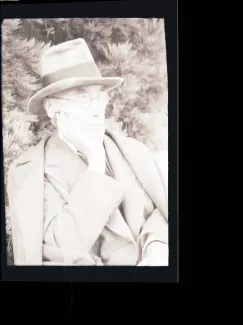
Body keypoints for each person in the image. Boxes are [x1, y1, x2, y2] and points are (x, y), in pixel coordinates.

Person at [7, 38, 168, 266]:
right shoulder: (29, 172)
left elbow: (163, 210)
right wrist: (96, 164)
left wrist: (157, 247)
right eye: (82, 98)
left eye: (99, 97)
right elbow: (54, 251)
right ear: (52, 109)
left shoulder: (132, 150)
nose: (96, 111)